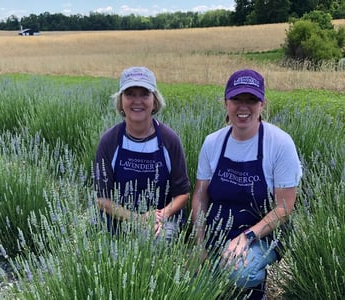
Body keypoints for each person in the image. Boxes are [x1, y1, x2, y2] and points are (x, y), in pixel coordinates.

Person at [191, 69, 302, 298]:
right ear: (226, 103)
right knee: (192, 281)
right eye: (236, 99)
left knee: (239, 272)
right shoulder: (213, 142)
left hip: (262, 234)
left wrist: (246, 237)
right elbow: (200, 195)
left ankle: (256, 287)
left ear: (262, 104)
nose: (244, 107)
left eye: (251, 99)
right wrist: (198, 243)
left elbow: (285, 208)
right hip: (218, 230)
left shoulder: (279, 143)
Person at [94, 66, 190, 240]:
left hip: (162, 219)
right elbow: (102, 199)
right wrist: (137, 219)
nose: (137, 101)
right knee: (99, 243)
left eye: (144, 94)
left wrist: (159, 215)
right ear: (121, 101)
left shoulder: (169, 140)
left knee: (156, 243)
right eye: (130, 94)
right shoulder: (110, 141)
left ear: (154, 100)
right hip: (119, 217)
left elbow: (182, 193)